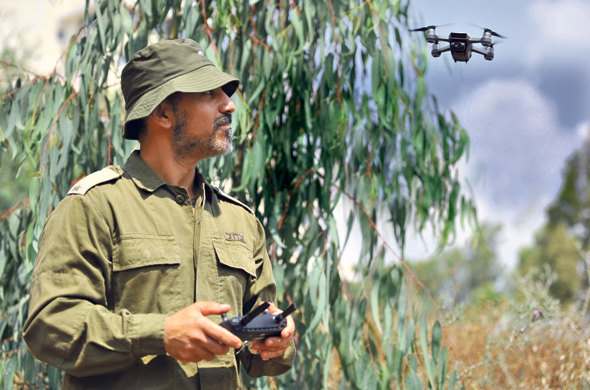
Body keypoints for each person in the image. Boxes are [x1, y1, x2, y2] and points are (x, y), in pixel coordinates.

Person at [23, 38, 296, 389]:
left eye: (224, 94)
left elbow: (260, 358)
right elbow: (50, 326)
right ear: (163, 113)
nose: (228, 105)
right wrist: (161, 333)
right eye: (208, 94)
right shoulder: (94, 206)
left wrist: (277, 341)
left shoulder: (240, 221)